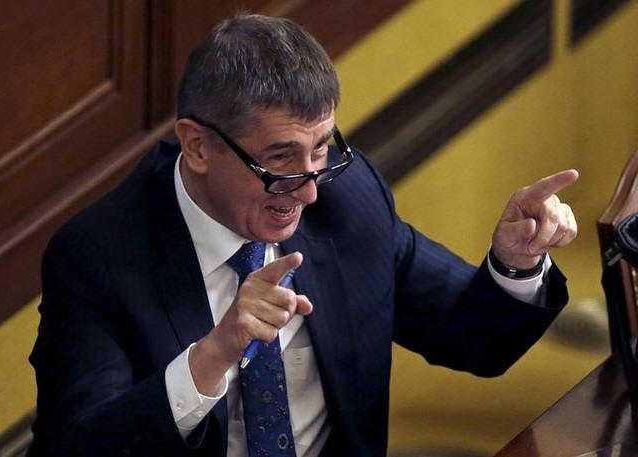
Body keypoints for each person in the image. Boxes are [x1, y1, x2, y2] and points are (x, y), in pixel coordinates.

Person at [28, 13, 578, 457]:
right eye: (279, 159)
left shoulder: (347, 200)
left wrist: (516, 263)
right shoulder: (98, 257)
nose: (309, 191)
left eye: (320, 150)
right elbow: (75, 446)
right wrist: (211, 356)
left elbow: (472, 339)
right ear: (196, 146)